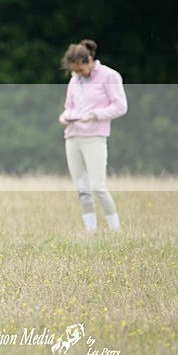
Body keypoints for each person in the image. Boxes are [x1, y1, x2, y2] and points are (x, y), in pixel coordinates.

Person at [58, 39, 127, 232]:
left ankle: (115, 229)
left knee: (98, 186)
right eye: (75, 71)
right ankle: (91, 230)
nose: (78, 74)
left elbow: (120, 106)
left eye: (80, 69)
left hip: (94, 136)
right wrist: (65, 116)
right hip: (73, 136)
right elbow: (69, 107)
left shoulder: (109, 76)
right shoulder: (74, 80)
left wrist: (96, 115)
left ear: (89, 60)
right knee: (82, 189)